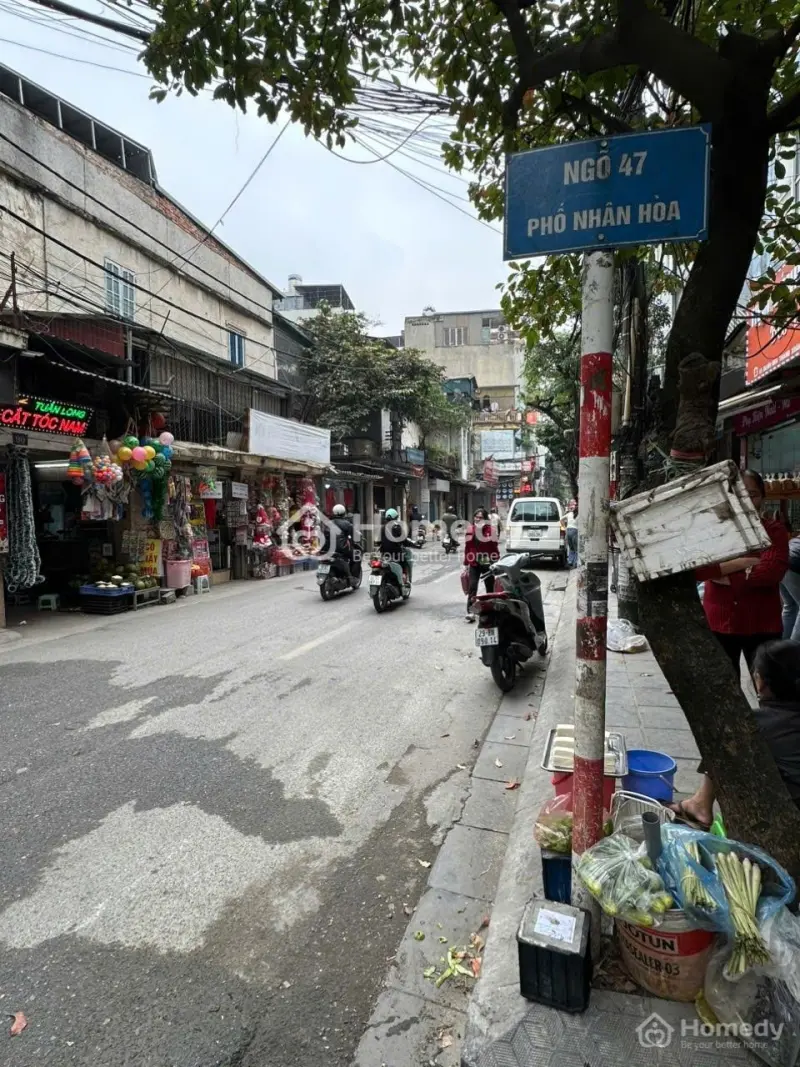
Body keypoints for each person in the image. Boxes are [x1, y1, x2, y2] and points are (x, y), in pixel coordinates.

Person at [671, 640, 800, 828]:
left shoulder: (756, 723)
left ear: (762, 683)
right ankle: (699, 803)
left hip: (785, 810)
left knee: (726, 738)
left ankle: (700, 804)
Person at [696, 471, 789, 676]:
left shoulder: (774, 531)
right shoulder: (715, 531)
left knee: (770, 689)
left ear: (763, 498)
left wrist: (722, 571)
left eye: (752, 494)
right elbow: (700, 570)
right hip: (720, 622)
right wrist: (745, 562)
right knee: (725, 692)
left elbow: (771, 573)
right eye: (739, 494)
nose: (745, 500)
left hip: (762, 622)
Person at [464, 507, 500, 622]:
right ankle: (470, 612)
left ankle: (491, 610)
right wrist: (465, 563)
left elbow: (494, 547)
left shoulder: (491, 530)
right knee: (472, 587)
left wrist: (496, 561)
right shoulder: (470, 530)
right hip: (474, 561)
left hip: (486, 561)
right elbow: (467, 547)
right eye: (476, 517)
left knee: (490, 587)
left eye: (480, 517)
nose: (478, 519)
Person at [379, 507, 417, 582]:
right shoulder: (396, 527)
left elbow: (380, 541)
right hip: (396, 553)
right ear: (395, 518)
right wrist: (412, 544)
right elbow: (403, 540)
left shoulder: (382, 527)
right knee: (404, 561)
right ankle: (403, 578)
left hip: (384, 554)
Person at [781, 531, 800, 641]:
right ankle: (793, 650)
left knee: (790, 605)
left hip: (781, 561)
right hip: (794, 562)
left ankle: (782, 646)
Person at [566, 503, 579, 568]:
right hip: (575, 531)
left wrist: (564, 526)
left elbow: (561, 519)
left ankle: (570, 561)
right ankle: (575, 563)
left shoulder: (569, 514)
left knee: (571, 548)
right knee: (576, 548)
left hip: (568, 530)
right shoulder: (579, 515)